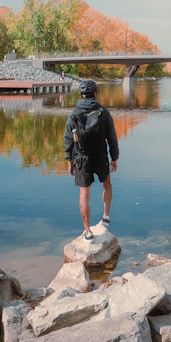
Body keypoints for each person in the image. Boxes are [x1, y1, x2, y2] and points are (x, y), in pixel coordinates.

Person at [64, 80, 119, 240]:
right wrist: (114, 157)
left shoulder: (74, 114)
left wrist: (69, 161)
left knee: (84, 193)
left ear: (81, 95)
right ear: (95, 93)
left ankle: (88, 232)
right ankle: (106, 216)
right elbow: (112, 137)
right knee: (106, 184)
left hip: (82, 157)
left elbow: (68, 139)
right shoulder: (103, 112)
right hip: (101, 155)